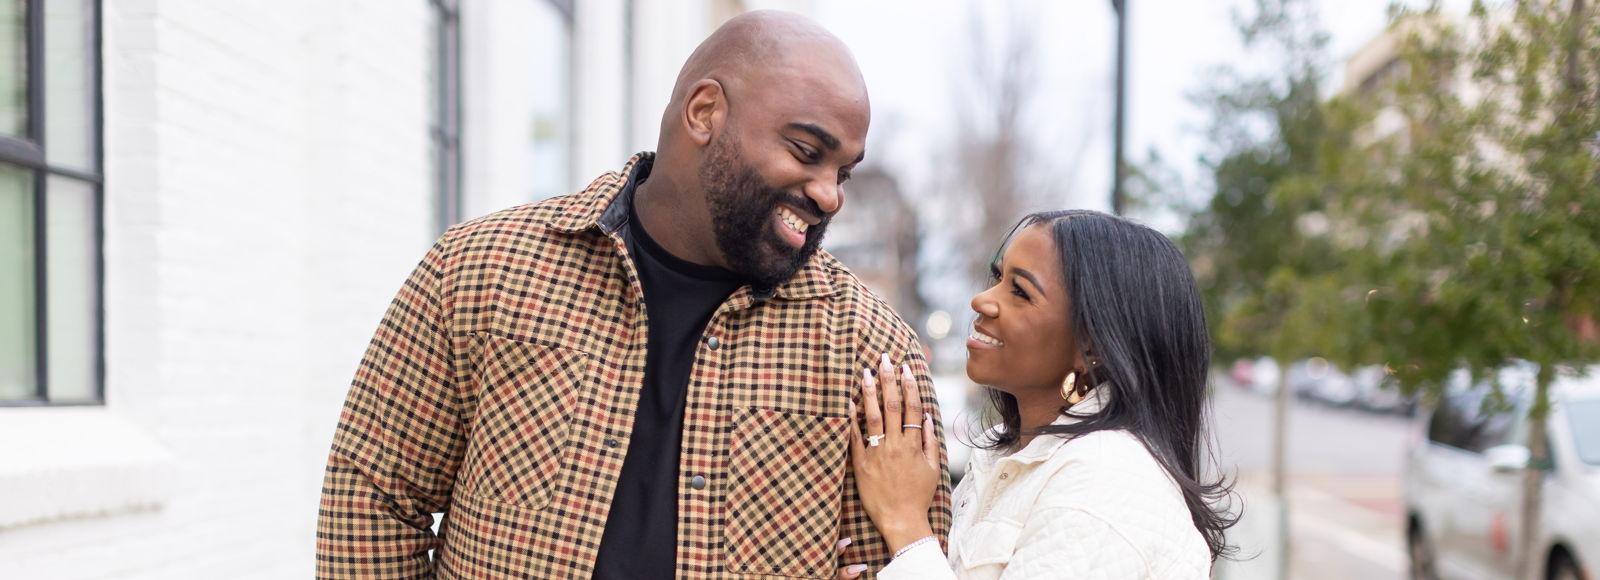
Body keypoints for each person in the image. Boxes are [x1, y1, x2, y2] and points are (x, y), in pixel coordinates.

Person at [315, 11, 950, 579]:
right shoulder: (481, 271)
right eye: (806, 151)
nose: (829, 194)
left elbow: (905, 558)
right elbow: (374, 497)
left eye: (843, 173)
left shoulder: (870, 352)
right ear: (705, 111)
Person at [841, 210, 1235, 579]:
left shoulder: (1105, 481)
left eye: (1020, 291)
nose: (982, 300)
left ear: (1093, 344)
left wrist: (905, 525)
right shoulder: (1013, 457)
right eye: (998, 277)